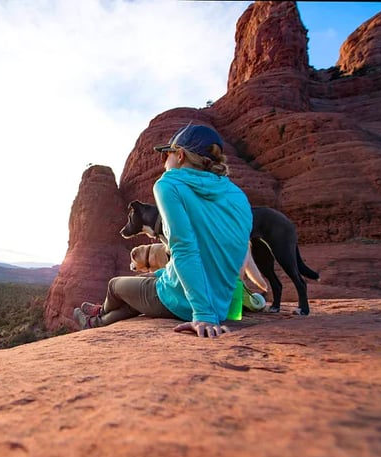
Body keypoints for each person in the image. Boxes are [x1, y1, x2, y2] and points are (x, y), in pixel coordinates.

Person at [73, 123, 252, 338]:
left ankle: (96, 317)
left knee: (114, 285)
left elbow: (184, 247)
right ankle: (97, 321)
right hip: (222, 304)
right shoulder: (237, 195)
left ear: (180, 155)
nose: (164, 162)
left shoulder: (170, 184)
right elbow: (233, 253)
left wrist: (203, 314)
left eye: (165, 155)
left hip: (187, 303)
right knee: (137, 298)